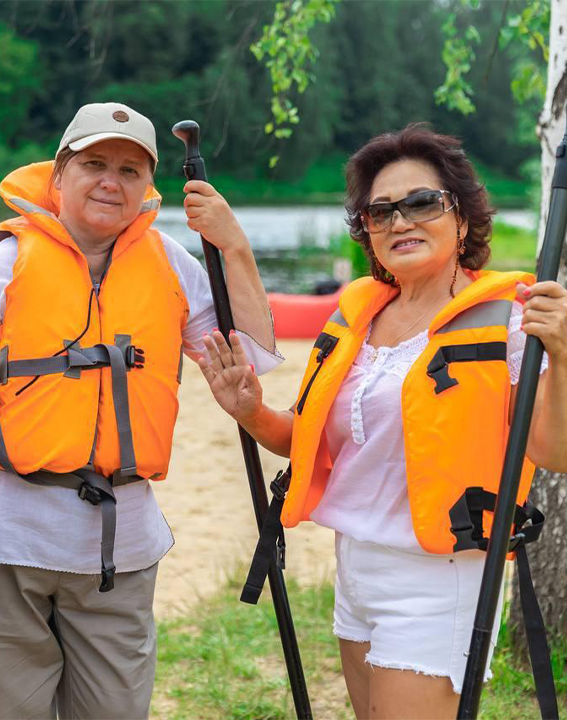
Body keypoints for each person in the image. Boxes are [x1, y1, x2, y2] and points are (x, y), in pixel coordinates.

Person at [0, 102, 280, 718]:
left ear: (148, 188)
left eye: (131, 170)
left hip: (120, 549)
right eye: (95, 164)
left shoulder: (171, 266)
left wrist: (233, 246)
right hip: (1, 546)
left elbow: (256, 356)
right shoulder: (2, 266)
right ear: (58, 175)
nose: (112, 181)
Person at [198, 124, 567, 719]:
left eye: (422, 203)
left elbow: (554, 451)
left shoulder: (511, 322)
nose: (401, 222)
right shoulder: (358, 318)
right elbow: (306, 441)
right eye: (381, 211)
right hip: (359, 565)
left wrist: (565, 354)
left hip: (442, 575)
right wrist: (251, 411)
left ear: (463, 219)